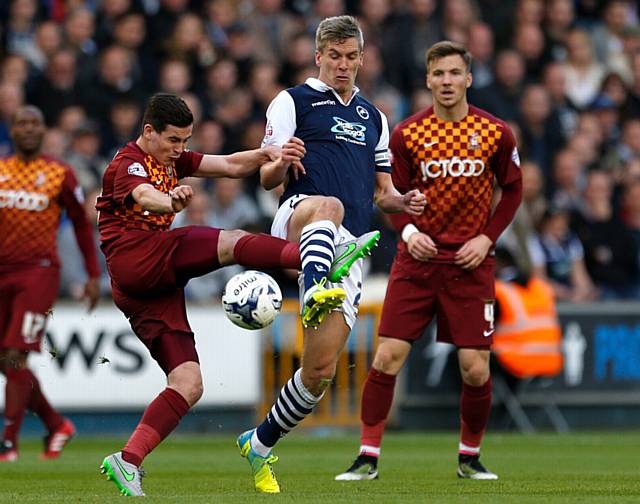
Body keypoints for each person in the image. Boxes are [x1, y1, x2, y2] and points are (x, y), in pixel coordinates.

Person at [96, 93, 367, 497]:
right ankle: (316, 260)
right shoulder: (129, 163)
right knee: (232, 242)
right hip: (139, 256)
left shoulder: (173, 158)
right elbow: (143, 196)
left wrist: (267, 153)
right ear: (148, 132)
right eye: (174, 140)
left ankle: (128, 459)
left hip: (144, 290)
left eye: (186, 141)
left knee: (188, 383)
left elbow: (227, 165)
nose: (180, 150)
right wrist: (169, 200)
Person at [236, 16, 426, 494]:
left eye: (351, 57)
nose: (343, 65)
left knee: (319, 372)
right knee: (330, 206)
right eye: (334, 56)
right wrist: (280, 160)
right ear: (318, 56)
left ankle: (259, 442)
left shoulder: (375, 118)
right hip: (301, 217)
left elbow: (383, 192)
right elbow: (265, 179)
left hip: (349, 248)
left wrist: (401, 202)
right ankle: (318, 281)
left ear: (362, 59)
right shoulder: (292, 101)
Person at [335, 40, 522, 482]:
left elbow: (513, 190)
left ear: (468, 78)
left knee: (475, 368)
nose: (446, 81)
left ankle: (469, 457)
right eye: (438, 74)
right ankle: (367, 457)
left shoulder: (496, 133)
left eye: (455, 73)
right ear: (428, 79)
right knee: (386, 358)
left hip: (471, 263)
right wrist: (410, 230)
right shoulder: (407, 135)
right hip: (416, 263)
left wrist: (486, 238)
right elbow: (387, 195)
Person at [0, 105, 100, 462]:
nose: (28, 129)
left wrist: (92, 275)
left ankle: (8, 444)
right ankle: (57, 425)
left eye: (35, 123)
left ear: (43, 131)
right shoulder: (1, 171)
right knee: (6, 360)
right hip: (3, 272)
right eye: (21, 123)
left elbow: (81, 224)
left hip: (39, 272)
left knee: (15, 354)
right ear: (12, 131)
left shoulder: (59, 173)